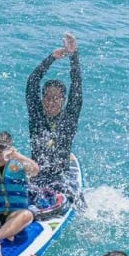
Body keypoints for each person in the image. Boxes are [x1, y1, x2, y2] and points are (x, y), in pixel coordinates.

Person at [24, 33, 82, 199]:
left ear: (63, 100)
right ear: (42, 99)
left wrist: (73, 56)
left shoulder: (69, 118)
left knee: (77, 200)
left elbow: (76, 86)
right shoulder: (37, 117)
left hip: (61, 178)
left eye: (56, 98)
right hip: (37, 177)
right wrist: (51, 58)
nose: (51, 101)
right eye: (47, 97)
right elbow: (32, 84)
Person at [0, 131, 40, 241]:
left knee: (27, 215)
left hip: (15, 214)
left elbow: (35, 170)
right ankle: (6, 233)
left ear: (9, 150)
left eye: (0, 152)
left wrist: (16, 155)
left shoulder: (18, 163)